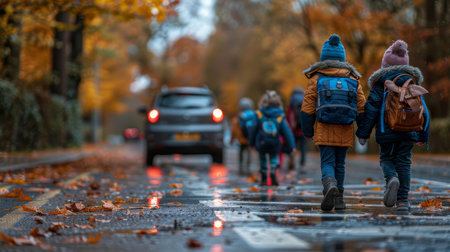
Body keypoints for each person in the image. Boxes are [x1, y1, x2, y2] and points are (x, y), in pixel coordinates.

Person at [356, 40, 430, 211]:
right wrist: (422, 135)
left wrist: (363, 134)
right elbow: (423, 111)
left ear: (384, 65)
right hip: (409, 131)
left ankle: (391, 179)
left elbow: (371, 110)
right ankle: (403, 200)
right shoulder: (412, 84)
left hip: (386, 130)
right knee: (404, 162)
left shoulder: (380, 84)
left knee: (386, 159)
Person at [300, 34, 366, 211]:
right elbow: (361, 108)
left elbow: (307, 109)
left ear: (323, 59)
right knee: (340, 163)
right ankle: (340, 200)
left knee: (327, 162)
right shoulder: (352, 80)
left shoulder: (316, 79)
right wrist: (363, 132)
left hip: (324, 127)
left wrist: (307, 131)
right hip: (345, 128)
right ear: (342, 59)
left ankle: (329, 185)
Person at [249, 90, 296, 186]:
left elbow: (252, 129)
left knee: (262, 158)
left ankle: (264, 176)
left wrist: (251, 143)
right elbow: (287, 132)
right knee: (274, 157)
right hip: (275, 142)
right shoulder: (280, 116)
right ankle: (273, 171)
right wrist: (292, 145)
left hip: (261, 142)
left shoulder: (258, 114)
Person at [230, 97, 256, 175]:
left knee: (241, 153)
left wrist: (232, 140)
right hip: (250, 139)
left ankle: (241, 167)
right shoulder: (254, 116)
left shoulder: (238, 118)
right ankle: (248, 166)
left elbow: (234, 130)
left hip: (241, 140)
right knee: (249, 153)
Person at [286, 87, 307, 172]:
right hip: (303, 130)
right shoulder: (305, 101)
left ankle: (291, 160)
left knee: (292, 146)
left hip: (293, 130)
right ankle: (302, 163)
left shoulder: (291, 102)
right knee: (303, 147)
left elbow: (288, 116)